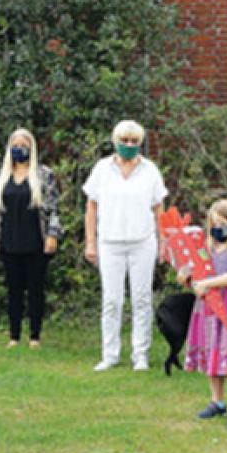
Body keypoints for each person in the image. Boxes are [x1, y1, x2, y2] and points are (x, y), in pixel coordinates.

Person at [83, 120, 168, 372]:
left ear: (140, 143)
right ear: (115, 142)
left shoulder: (150, 170)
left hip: (143, 242)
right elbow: (91, 206)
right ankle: (110, 354)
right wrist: (91, 242)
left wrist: (163, 241)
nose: (129, 145)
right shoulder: (101, 169)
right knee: (112, 300)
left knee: (142, 299)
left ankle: (140, 354)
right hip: (109, 242)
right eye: (125, 141)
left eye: (134, 141)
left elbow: (158, 208)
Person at [0, 128, 63, 349]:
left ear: (32, 148)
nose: (20, 149)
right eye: (15, 145)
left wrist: (52, 235)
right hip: (9, 240)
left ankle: (35, 336)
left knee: (36, 289)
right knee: (13, 290)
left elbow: (54, 208)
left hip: (36, 240)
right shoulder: (0, 177)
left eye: (24, 145)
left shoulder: (44, 175)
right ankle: (14, 336)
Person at [181, 199, 227, 427]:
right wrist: (187, 277)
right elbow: (192, 275)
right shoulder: (205, 250)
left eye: (224, 223)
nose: (219, 228)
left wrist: (208, 283)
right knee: (211, 357)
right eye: (215, 223)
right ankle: (217, 402)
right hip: (208, 312)